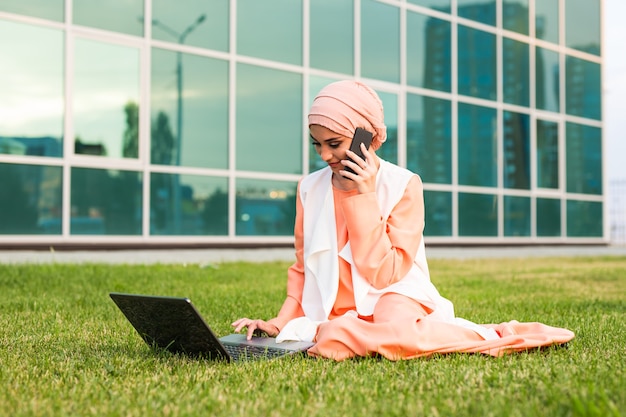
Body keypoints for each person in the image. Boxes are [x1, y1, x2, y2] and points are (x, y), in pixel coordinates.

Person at [232, 80, 575, 361]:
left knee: (391, 331)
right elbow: (303, 269)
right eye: (317, 144)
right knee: (351, 334)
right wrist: (279, 324)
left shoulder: (403, 184)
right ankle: (341, 334)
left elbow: (386, 273)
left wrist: (362, 195)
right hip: (337, 311)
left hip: (394, 295)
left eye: (334, 144)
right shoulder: (309, 187)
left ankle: (493, 335)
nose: (324, 155)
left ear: (365, 135)